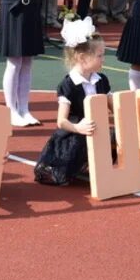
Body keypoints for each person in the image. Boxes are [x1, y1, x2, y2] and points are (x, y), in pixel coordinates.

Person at [33, 18, 111, 186]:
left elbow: (115, 107)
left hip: (96, 128)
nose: (103, 59)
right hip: (74, 133)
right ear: (82, 58)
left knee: (114, 137)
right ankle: (66, 168)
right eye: (100, 55)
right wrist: (78, 128)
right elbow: (61, 121)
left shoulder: (101, 80)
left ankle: (91, 167)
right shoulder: (69, 85)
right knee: (77, 146)